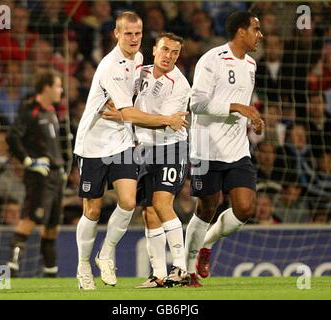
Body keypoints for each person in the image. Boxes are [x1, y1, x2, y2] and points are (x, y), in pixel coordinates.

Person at [74, 12, 187, 290]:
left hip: (122, 143)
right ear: (116, 34)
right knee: (93, 209)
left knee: (127, 202)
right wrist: (167, 120)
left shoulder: (138, 60)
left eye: (138, 33)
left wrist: (129, 117)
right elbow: (126, 112)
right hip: (93, 144)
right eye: (128, 34)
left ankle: (106, 254)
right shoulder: (110, 65)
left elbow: (128, 110)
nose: (134, 39)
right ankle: (83, 266)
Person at [185, 11, 264, 286]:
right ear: (241, 32)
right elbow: (196, 103)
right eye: (255, 29)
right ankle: (187, 270)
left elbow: (243, 105)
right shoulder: (212, 59)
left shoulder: (252, 64)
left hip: (237, 148)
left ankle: (205, 245)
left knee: (244, 208)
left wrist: (253, 119)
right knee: (207, 207)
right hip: (206, 146)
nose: (260, 34)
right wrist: (236, 107)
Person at [129, 32, 191, 288]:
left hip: (171, 147)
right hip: (144, 149)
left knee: (162, 203)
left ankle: (181, 268)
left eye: (175, 52)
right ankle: (158, 275)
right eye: (165, 49)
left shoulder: (180, 84)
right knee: (149, 211)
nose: (169, 56)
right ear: (154, 49)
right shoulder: (138, 72)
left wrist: (125, 115)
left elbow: (163, 123)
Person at [6, 69, 69, 278]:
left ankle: (50, 272)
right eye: (58, 85)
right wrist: (27, 161)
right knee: (31, 218)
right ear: (47, 87)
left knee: (52, 226)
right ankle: (12, 266)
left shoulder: (51, 111)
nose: (61, 89)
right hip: (39, 175)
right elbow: (13, 137)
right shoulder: (29, 111)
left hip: (56, 176)